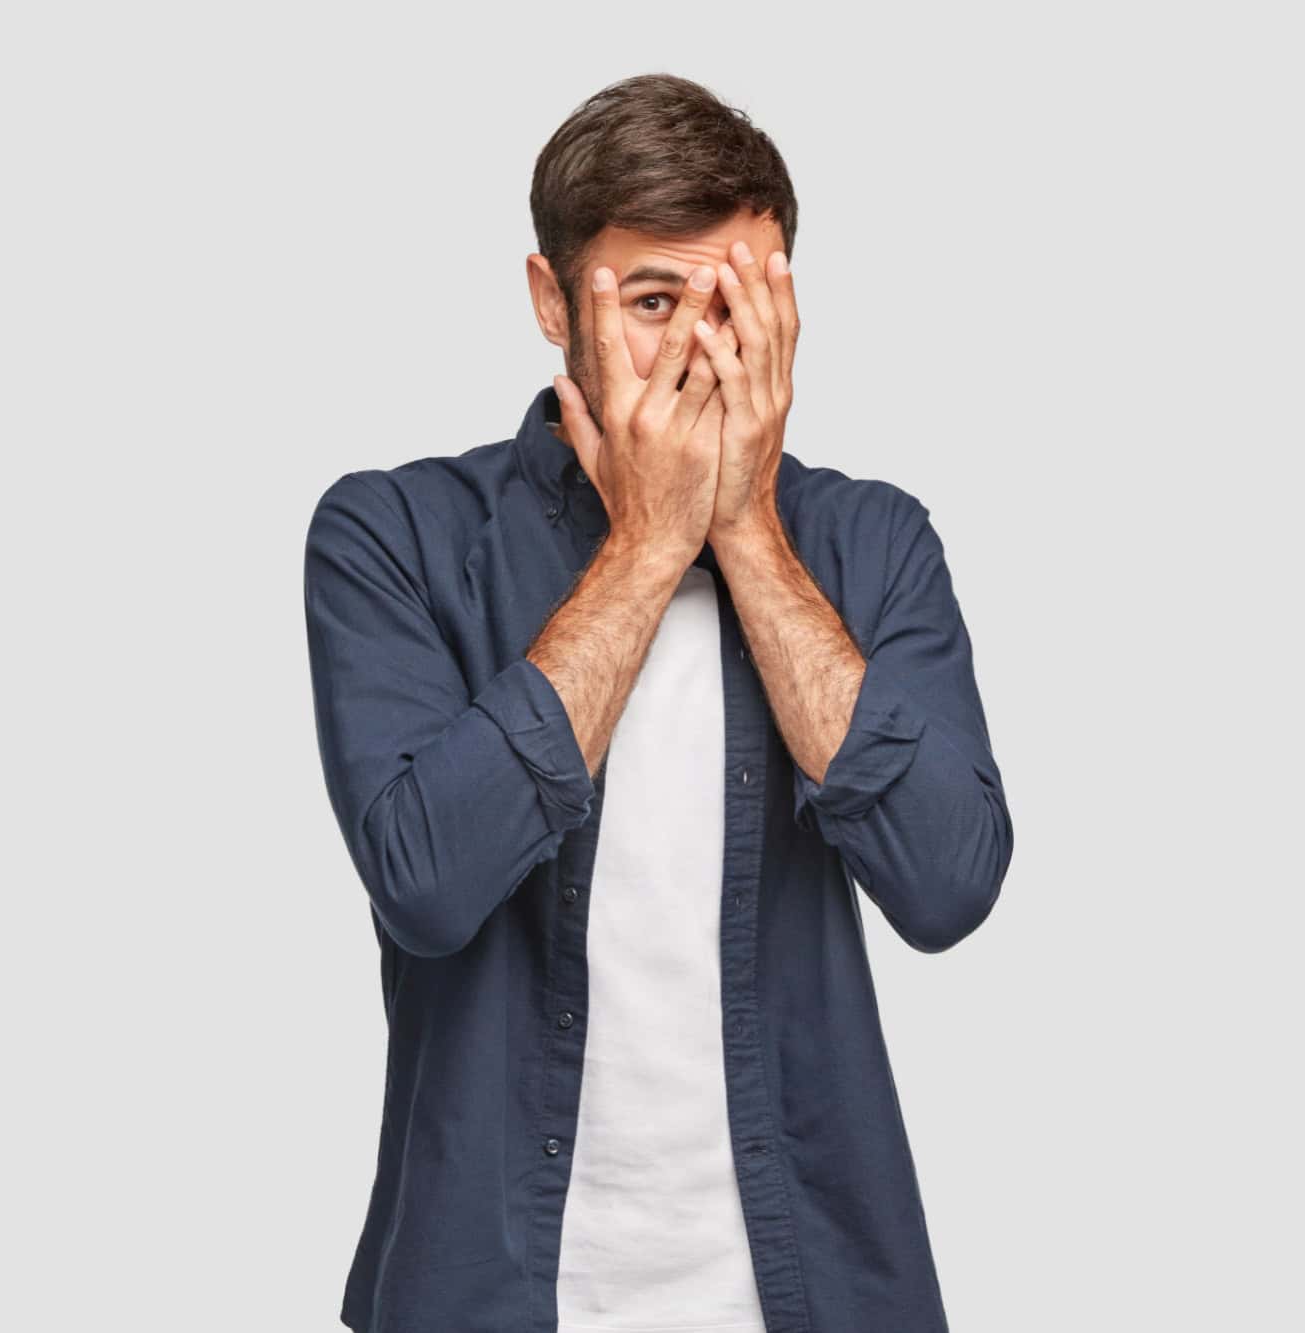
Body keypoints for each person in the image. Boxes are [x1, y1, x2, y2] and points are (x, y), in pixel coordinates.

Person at [303, 72, 1015, 1333]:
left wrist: (742, 529)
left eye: (734, 303)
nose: (698, 348)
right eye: (648, 301)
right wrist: (645, 545)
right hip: (487, 1292)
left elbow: (948, 881)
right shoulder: (394, 536)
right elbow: (423, 879)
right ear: (546, 302)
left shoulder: (869, 543)